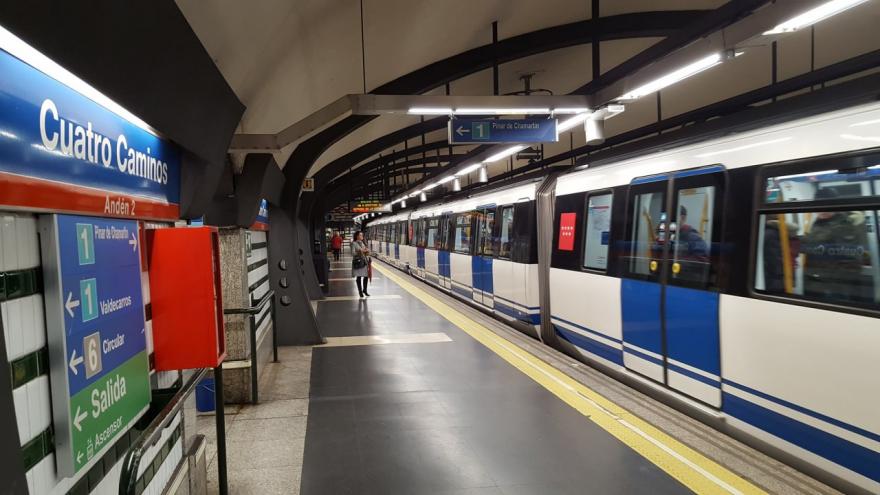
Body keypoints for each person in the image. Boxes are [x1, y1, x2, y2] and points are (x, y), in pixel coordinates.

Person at [801, 187, 870, 302]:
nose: (822, 211)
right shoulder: (819, 222)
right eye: (818, 207)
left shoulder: (845, 225)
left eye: (826, 206)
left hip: (834, 286)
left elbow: (850, 259)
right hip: (816, 282)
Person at [351, 231, 371, 297]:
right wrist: (360, 251)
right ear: (357, 236)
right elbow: (353, 253)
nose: (362, 236)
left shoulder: (362, 243)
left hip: (364, 262)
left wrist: (367, 252)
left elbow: (365, 252)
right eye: (360, 235)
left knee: (366, 276)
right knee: (359, 277)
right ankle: (360, 292)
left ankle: (365, 290)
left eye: (362, 235)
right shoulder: (353, 243)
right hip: (358, 262)